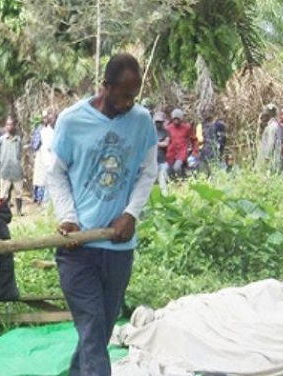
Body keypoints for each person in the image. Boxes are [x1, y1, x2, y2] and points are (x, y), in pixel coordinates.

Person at [45, 53, 158, 375]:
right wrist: (69, 217)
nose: (129, 103)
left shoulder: (142, 121)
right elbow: (56, 172)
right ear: (105, 86)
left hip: (118, 249)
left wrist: (130, 214)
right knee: (93, 328)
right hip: (78, 249)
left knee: (100, 331)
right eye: (124, 95)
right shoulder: (71, 120)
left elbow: (147, 172)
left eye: (134, 95)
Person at [0, 117, 24, 216]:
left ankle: (19, 211)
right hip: (5, 170)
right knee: (3, 193)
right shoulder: (1, 140)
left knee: (19, 192)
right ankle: (3, 212)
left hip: (16, 170)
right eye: (8, 124)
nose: (9, 126)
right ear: (5, 126)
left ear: (15, 126)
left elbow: (20, 153)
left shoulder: (18, 140)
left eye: (11, 124)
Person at [165, 108, 197, 179]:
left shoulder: (187, 128)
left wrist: (194, 151)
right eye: (174, 119)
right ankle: (175, 183)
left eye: (178, 119)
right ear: (172, 119)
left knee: (176, 167)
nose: (176, 121)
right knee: (168, 171)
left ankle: (181, 182)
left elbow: (194, 140)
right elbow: (165, 141)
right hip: (170, 153)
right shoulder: (168, 128)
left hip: (181, 153)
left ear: (181, 119)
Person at [258, 103, 282, 174]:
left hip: (270, 162)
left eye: (265, 115)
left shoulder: (272, 127)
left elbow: (270, 143)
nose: (263, 117)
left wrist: (266, 158)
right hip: (274, 160)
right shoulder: (275, 125)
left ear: (268, 115)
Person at [154, 111, 170, 194]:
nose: (158, 124)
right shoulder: (150, 131)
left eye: (160, 122)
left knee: (162, 182)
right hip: (152, 161)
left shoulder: (166, 132)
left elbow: (166, 144)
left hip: (162, 161)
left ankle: (164, 197)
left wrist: (156, 143)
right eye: (157, 122)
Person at [30, 114, 45, 204]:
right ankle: (38, 197)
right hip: (40, 155)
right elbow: (35, 144)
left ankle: (41, 198)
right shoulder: (39, 130)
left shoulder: (52, 129)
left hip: (47, 156)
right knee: (39, 177)